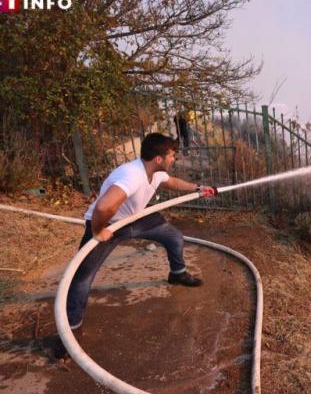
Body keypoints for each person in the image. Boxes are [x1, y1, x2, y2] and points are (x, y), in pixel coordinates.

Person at [53, 133, 217, 359]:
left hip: (137, 218)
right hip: (108, 224)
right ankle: (70, 333)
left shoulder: (156, 171)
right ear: (158, 158)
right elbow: (105, 207)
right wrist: (99, 231)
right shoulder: (132, 175)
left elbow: (170, 182)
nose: (174, 159)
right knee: (81, 278)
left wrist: (197, 187)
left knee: (174, 237)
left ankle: (177, 273)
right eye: (171, 155)